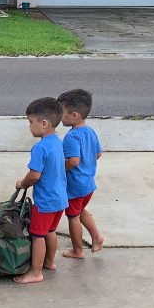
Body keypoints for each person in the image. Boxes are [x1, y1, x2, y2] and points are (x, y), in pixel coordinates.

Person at [14, 96, 68, 285]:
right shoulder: (56, 142)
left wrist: (22, 183)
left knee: (38, 236)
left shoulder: (40, 148)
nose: (29, 127)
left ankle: (36, 272)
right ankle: (49, 262)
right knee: (50, 231)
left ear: (44, 123)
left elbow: (34, 175)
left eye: (31, 122)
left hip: (45, 202)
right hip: (60, 199)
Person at [58, 88, 104, 259]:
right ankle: (97, 237)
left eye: (61, 113)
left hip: (75, 186)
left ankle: (77, 250)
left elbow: (73, 161)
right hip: (88, 184)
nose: (59, 116)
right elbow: (98, 153)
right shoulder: (90, 131)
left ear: (75, 116)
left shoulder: (71, 137)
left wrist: (59, 167)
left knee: (73, 217)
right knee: (81, 210)